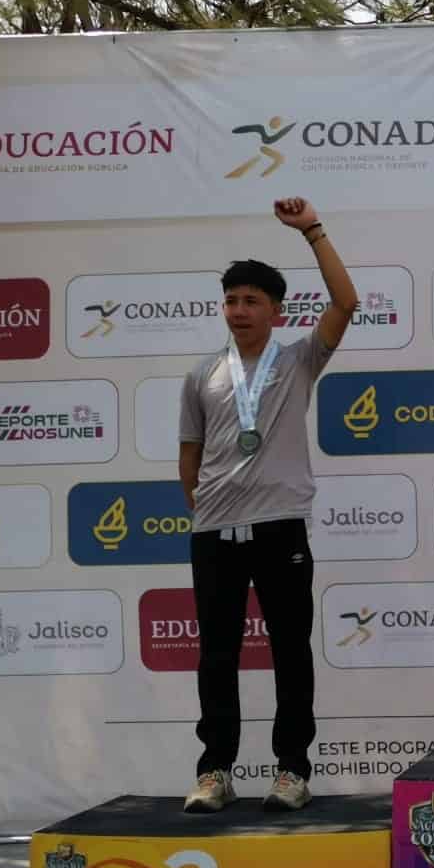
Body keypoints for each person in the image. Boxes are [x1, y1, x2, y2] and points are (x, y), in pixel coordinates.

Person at [179, 197, 359, 813]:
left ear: (276, 310)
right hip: (214, 533)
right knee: (216, 656)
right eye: (231, 300)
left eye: (252, 300)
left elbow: (346, 303)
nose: (239, 310)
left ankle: (291, 771)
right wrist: (207, 511)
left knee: (290, 652)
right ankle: (215, 771)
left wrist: (313, 230)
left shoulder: (299, 360)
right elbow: (190, 457)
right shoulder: (203, 374)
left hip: (281, 530)